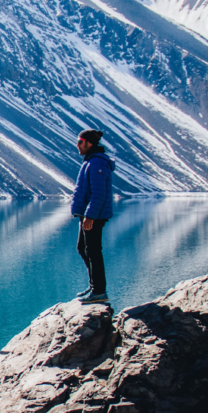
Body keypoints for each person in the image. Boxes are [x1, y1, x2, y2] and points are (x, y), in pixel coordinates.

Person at [71, 128, 115, 304]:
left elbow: (99, 193)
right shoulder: (91, 161)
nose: (77, 145)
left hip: (94, 216)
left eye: (80, 142)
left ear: (89, 143)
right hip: (89, 215)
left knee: (93, 251)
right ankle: (94, 286)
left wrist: (90, 216)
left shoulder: (97, 163)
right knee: (83, 248)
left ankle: (99, 291)